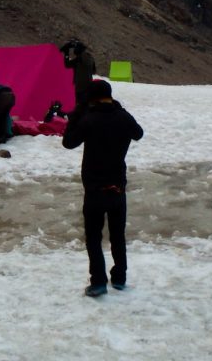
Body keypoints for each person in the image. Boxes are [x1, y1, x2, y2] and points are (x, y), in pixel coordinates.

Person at [62, 78, 143, 297]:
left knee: (94, 236)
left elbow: (68, 142)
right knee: (118, 235)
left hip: (94, 187)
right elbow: (138, 133)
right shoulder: (123, 117)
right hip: (117, 185)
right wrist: (120, 110)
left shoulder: (89, 119)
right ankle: (119, 278)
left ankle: (98, 281)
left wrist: (75, 116)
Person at [60, 39, 96, 113]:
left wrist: (81, 51)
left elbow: (88, 64)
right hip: (79, 86)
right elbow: (68, 65)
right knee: (79, 105)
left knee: (85, 105)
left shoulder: (88, 57)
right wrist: (66, 54)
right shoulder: (78, 58)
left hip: (87, 85)